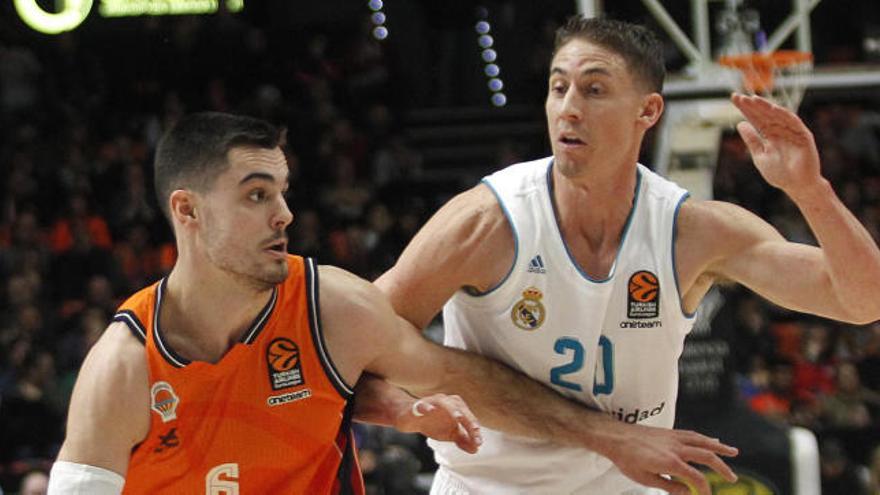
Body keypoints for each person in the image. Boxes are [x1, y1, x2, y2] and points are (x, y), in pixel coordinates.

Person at [47, 112, 737, 494]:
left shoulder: (331, 308)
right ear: (187, 211)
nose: (284, 213)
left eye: (283, 192)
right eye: (256, 194)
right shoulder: (123, 369)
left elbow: (462, 376)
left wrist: (615, 438)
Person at [368, 15, 880, 495]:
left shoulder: (692, 231)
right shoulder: (486, 222)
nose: (569, 107)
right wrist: (405, 406)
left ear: (648, 110)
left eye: (594, 89)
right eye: (558, 86)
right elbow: (357, 338)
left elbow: (860, 302)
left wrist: (812, 191)